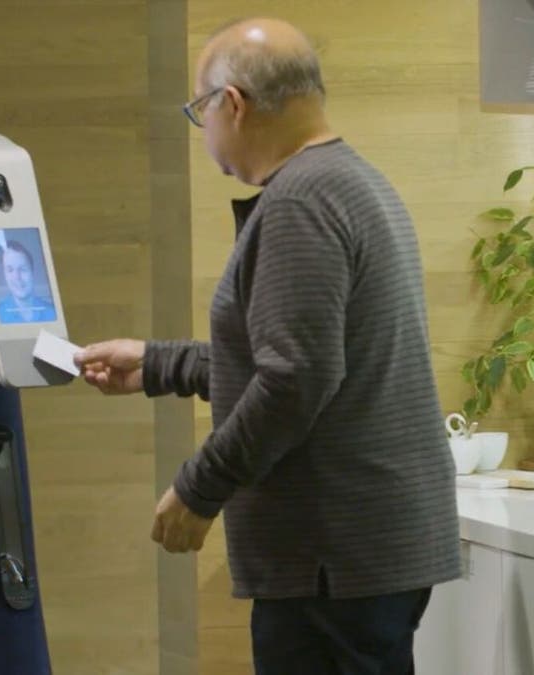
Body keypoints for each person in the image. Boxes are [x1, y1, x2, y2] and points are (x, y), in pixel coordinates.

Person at [74, 17, 460, 675]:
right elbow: (294, 359)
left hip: (332, 559)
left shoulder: (300, 202)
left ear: (232, 104)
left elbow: (294, 379)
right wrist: (157, 363)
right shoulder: (351, 182)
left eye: (201, 111)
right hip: (360, 553)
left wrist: (200, 487)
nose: (204, 132)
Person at [0, 240, 56, 323]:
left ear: (32, 272)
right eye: (10, 270)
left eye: (23, 269)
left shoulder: (53, 313)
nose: (17, 277)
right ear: (4, 275)